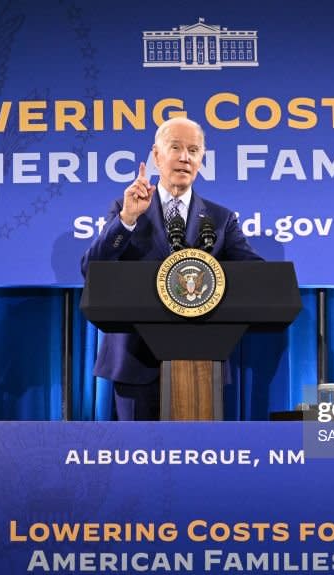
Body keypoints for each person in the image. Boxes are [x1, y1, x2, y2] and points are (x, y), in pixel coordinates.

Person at [81, 117, 262, 421]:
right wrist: (126, 220)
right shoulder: (127, 207)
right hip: (135, 360)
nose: (184, 157)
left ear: (201, 159)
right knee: (140, 460)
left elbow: (254, 274)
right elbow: (93, 269)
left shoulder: (220, 218)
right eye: (175, 147)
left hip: (202, 363)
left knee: (198, 461)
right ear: (156, 155)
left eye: (193, 150)